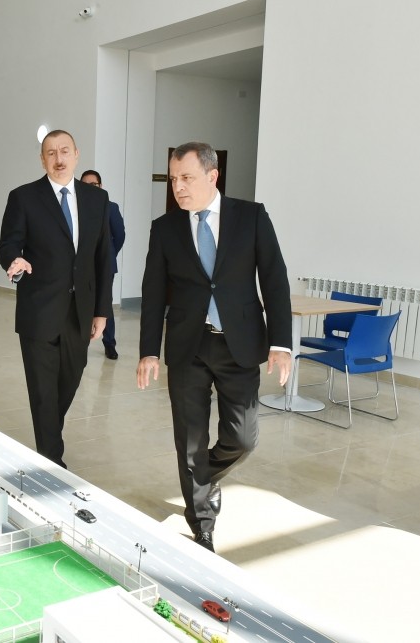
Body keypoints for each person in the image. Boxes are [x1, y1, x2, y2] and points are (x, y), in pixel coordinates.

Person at [136, 141, 292, 552]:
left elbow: (274, 279)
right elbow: (153, 292)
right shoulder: (165, 228)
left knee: (242, 439)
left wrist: (281, 342)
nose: (178, 187)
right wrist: (149, 350)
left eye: (186, 178)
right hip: (188, 345)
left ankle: (205, 478)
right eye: (173, 179)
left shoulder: (251, 217)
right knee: (189, 441)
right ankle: (202, 525)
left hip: (239, 344)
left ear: (212, 176)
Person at [0, 130, 113, 469]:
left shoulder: (97, 199)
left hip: (80, 311)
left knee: (70, 380)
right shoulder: (24, 197)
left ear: (76, 154)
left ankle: (48, 433)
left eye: (64, 151)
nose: (58, 159)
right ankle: (51, 460)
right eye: (51, 153)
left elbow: (103, 258)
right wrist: (14, 260)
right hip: (39, 309)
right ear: (42, 159)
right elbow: (7, 243)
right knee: (43, 391)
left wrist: (102, 311)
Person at [80, 169, 126, 359]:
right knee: (82, 304)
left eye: (94, 184)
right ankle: (81, 343)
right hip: (82, 266)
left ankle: (109, 344)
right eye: (85, 185)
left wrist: (108, 255)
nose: (90, 188)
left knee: (104, 303)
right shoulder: (76, 208)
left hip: (105, 267)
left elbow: (120, 235)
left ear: (101, 186)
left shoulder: (111, 207)